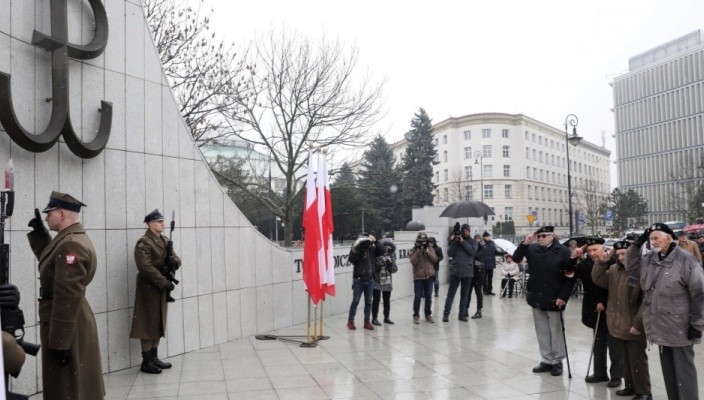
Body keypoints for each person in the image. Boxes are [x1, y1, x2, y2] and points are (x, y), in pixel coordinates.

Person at [26, 191, 105, 399]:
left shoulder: (70, 244)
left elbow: (67, 293)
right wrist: (42, 235)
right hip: (70, 318)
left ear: (61, 214)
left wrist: (60, 341)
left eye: (49, 213)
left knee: (66, 385)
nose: (46, 217)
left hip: (66, 320)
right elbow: (53, 269)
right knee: (71, 382)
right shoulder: (70, 239)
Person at [628, 223, 704, 400]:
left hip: (681, 327)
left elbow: (700, 294)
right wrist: (636, 245)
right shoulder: (651, 260)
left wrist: (697, 324)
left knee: (684, 373)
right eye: (651, 238)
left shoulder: (686, 260)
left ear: (669, 238)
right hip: (660, 326)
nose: (653, 242)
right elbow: (632, 268)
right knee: (669, 373)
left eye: (657, 238)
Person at [512, 226, 576, 377]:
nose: (541, 238)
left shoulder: (563, 251)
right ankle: (546, 359)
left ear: (552, 236)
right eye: (539, 236)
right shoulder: (532, 249)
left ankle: (557, 361)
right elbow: (516, 258)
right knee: (542, 330)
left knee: (556, 330)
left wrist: (563, 297)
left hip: (555, 296)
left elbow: (570, 276)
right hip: (537, 295)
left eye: (544, 236)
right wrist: (525, 243)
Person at [592, 240, 652, 399]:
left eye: (624, 253)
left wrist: (638, 323)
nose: (620, 257)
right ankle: (631, 387)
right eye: (618, 254)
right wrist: (602, 262)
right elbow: (598, 280)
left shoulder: (642, 271)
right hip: (618, 322)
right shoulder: (613, 269)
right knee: (626, 358)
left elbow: (647, 301)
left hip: (634, 323)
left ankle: (644, 391)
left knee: (637, 359)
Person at [130, 209, 182, 374]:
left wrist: (174, 262)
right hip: (149, 288)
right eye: (159, 222)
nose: (163, 224)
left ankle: (154, 357)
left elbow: (176, 258)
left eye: (163, 221)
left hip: (161, 288)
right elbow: (145, 267)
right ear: (150, 224)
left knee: (159, 321)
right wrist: (163, 282)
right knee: (147, 323)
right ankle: (146, 361)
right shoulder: (144, 242)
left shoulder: (165, 240)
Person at [575, 238, 623, 388]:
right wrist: (573, 257)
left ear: (603, 248)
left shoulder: (614, 262)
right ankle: (599, 372)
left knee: (614, 343)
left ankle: (616, 375)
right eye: (589, 251)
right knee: (598, 341)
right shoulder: (585, 264)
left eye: (595, 250)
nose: (592, 253)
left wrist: (602, 300)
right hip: (593, 308)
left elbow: (613, 285)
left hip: (611, 307)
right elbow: (568, 273)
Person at [347, 233, 381, 330]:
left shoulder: (373, 249)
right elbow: (352, 259)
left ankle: (367, 322)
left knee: (368, 302)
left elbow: (381, 251)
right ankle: (350, 321)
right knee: (356, 301)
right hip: (358, 279)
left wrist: (375, 241)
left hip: (370, 279)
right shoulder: (357, 249)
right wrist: (357, 248)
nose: (365, 242)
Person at [442, 224, 476, 322]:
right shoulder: (455, 241)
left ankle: (462, 314)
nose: (465, 232)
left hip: (467, 271)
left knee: (464, 294)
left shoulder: (472, 241)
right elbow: (450, 253)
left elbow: (472, 252)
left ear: (469, 231)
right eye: (463, 231)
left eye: (467, 231)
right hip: (455, 270)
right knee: (451, 294)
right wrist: (453, 242)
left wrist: (463, 241)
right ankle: (446, 314)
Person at [409, 232, 437, 324]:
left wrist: (427, 251)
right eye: (421, 241)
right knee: (417, 296)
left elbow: (435, 259)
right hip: (418, 277)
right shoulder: (413, 250)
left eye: (424, 241)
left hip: (429, 276)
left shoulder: (430, 248)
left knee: (428, 296)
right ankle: (416, 315)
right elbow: (413, 262)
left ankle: (428, 314)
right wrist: (418, 251)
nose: (423, 243)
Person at [371, 238, 398, 326]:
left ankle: (386, 317)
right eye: (384, 246)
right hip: (377, 280)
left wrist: (390, 266)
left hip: (387, 280)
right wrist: (379, 265)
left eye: (388, 246)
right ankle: (374, 318)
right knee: (376, 300)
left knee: (387, 300)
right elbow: (372, 269)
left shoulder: (392, 255)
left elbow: (395, 269)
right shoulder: (376, 255)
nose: (386, 248)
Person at [468, 234, 485, 319]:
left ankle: (479, 310)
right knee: (468, 292)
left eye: (478, 238)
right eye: (475, 238)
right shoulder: (472, 246)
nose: (477, 240)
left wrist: (472, 261)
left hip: (479, 272)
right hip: (471, 273)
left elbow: (480, 260)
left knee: (478, 292)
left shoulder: (483, 247)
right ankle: (465, 309)